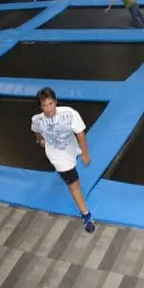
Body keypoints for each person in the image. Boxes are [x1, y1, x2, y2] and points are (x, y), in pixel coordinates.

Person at [31, 87, 96, 233]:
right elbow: (35, 130)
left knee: (74, 171)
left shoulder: (69, 113)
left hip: (71, 147)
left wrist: (85, 153)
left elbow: (80, 134)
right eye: (44, 105)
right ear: (40, 107)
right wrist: (40, 141)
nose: (48, 109)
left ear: (55, 102)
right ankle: (86, 215)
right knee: (74, 184)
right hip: (57, 156)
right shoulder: (37, 119)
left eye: (51, 104)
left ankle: (71, 168)